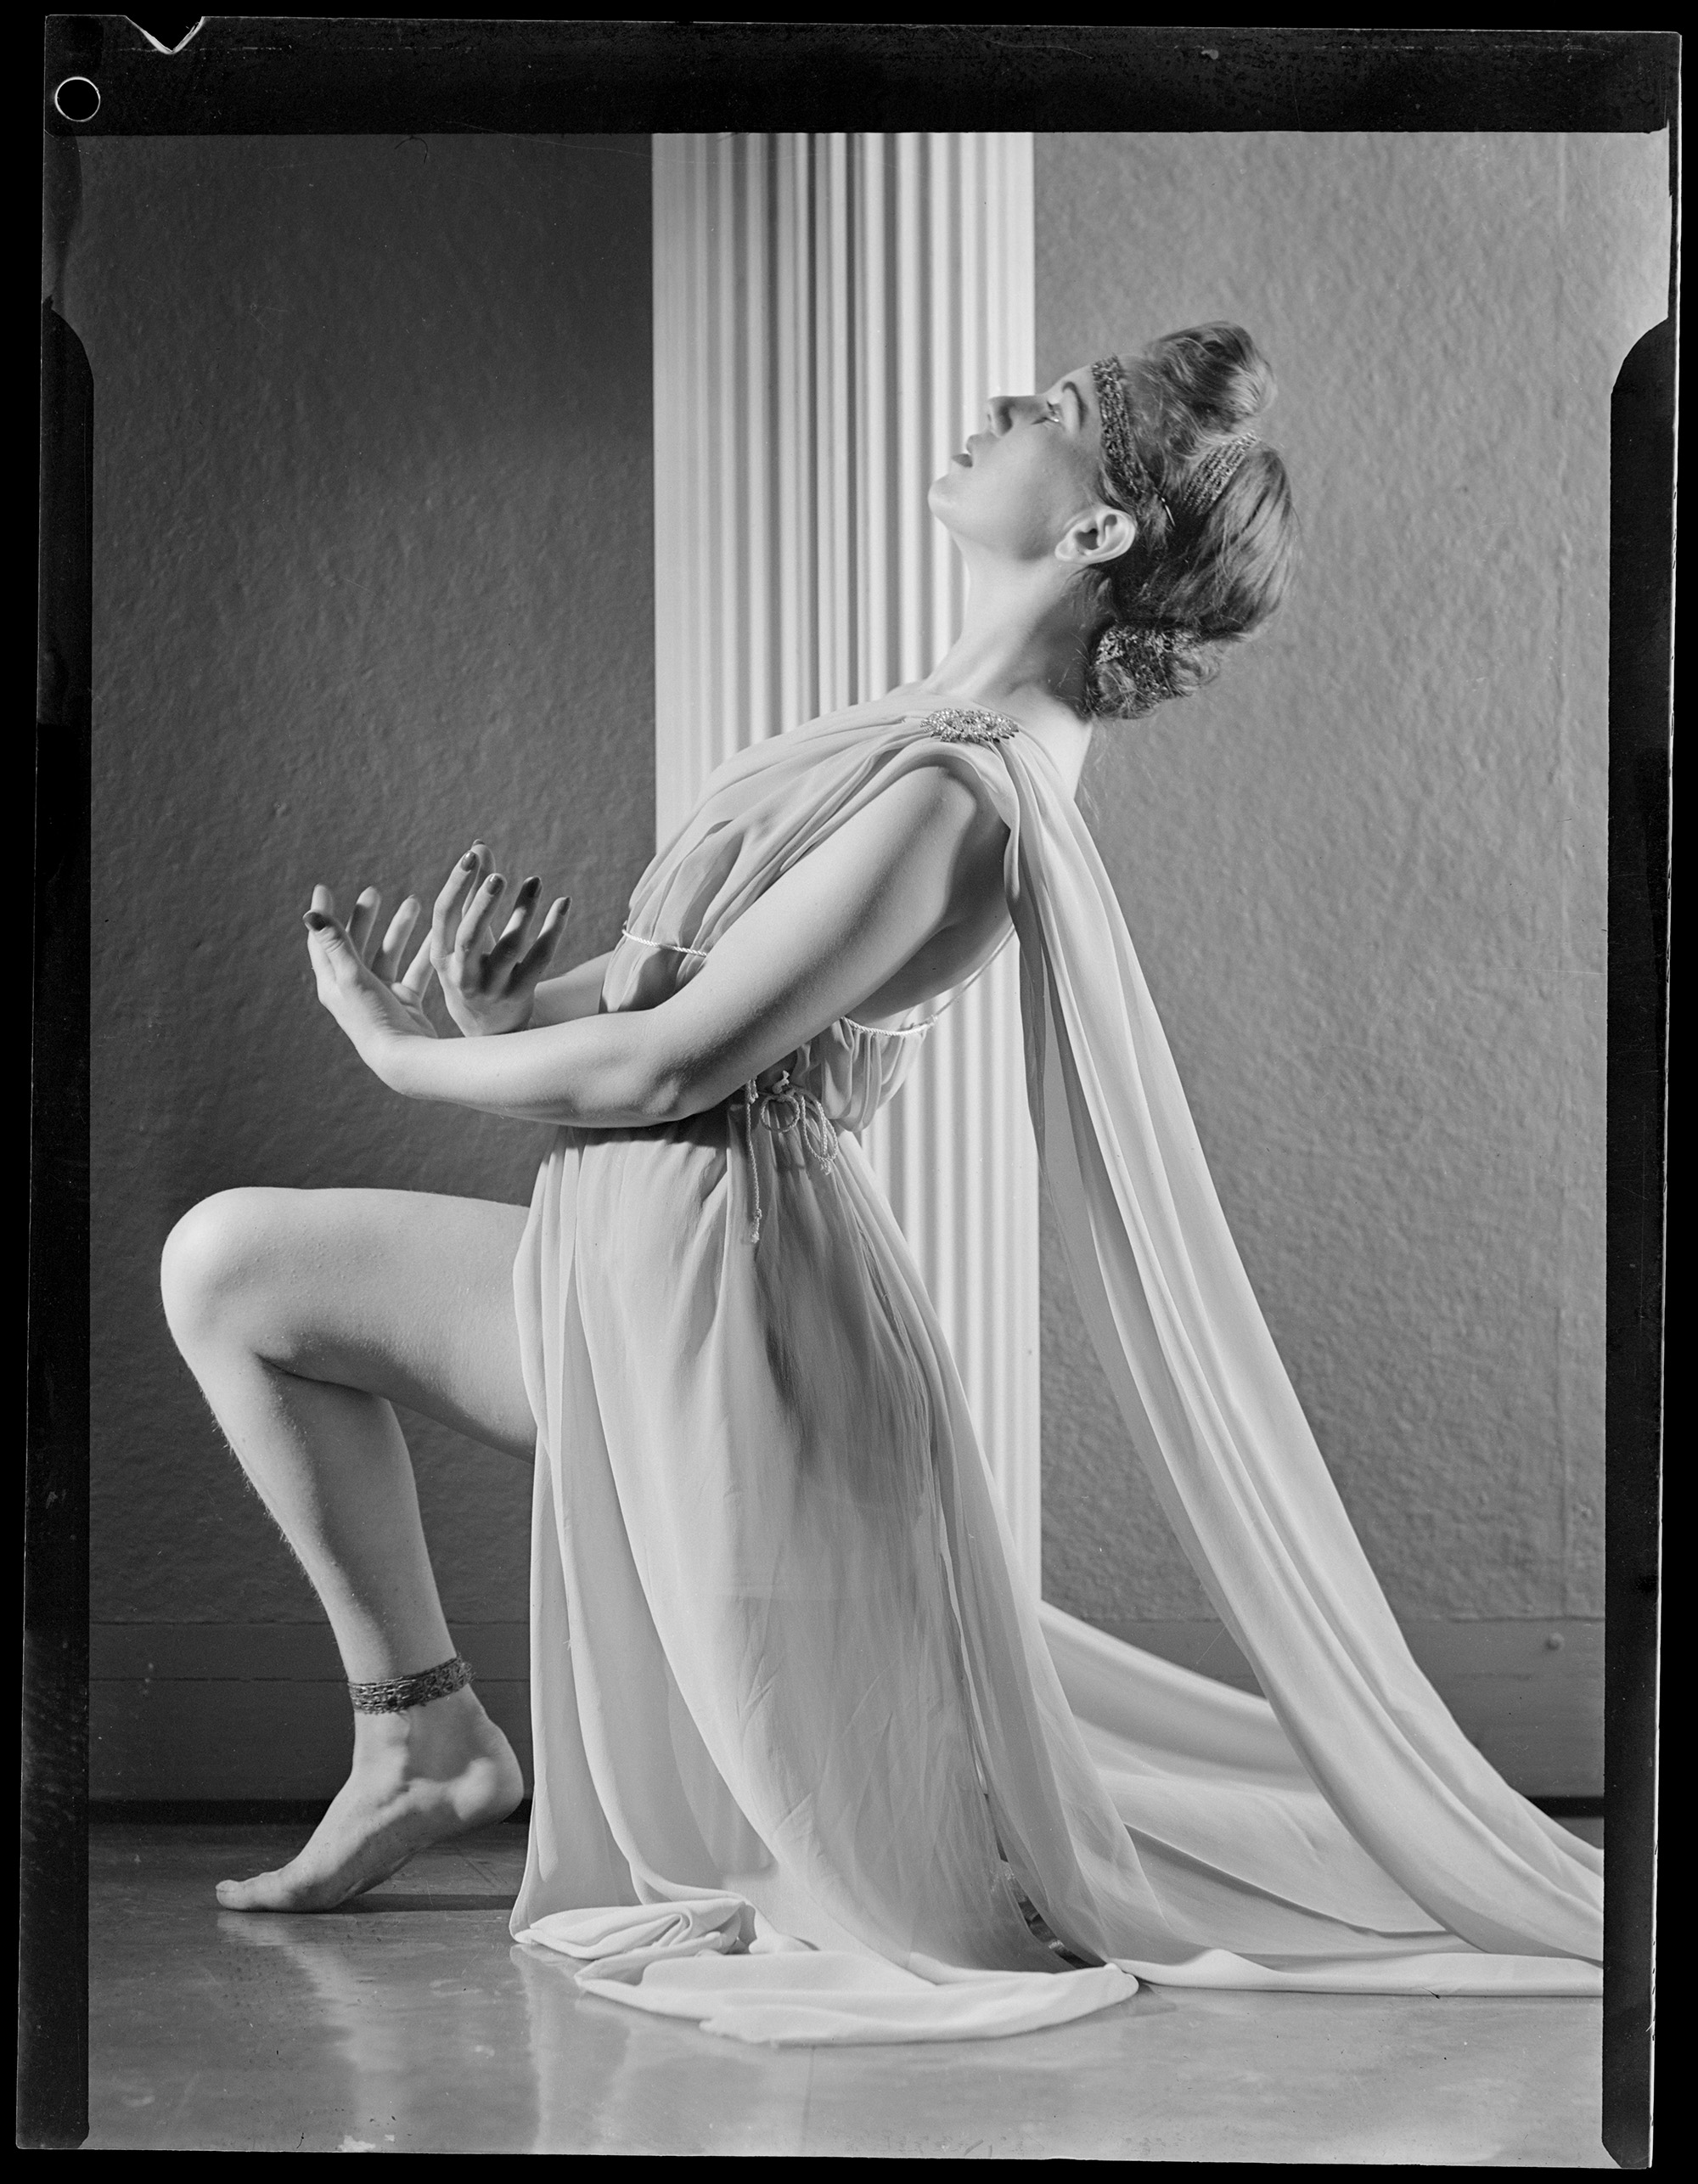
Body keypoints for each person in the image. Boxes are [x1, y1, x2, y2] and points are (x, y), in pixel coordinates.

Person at [161, 325, 1602, 2044]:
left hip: (732, 1305)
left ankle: (518, 1752)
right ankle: (425, 1733)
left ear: (1098, 535)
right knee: (234, 1266)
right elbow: (676, 987)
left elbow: (673, 1067)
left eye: (1056, 420)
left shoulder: (965, 792)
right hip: (635, 1255)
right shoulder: (923, 731)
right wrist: (491, 1008)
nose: (1001, 412)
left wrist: (402, 1058)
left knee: (857, 1819)